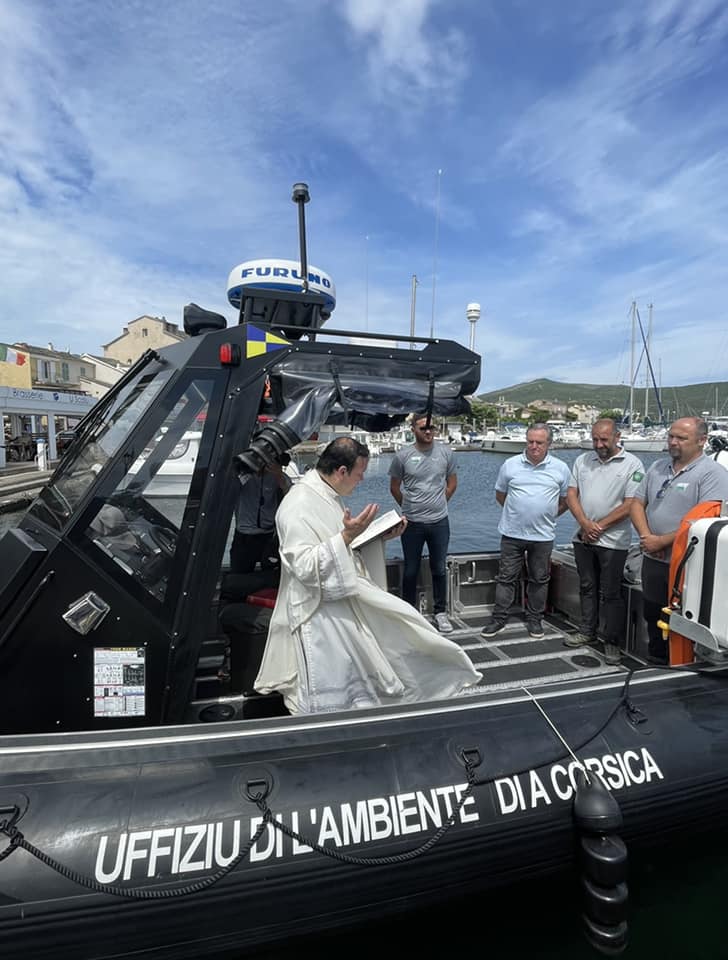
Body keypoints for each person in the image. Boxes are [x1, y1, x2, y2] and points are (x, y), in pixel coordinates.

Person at [254, 437, 479, 714]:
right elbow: (302, 565)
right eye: (359, 475)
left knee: (402, 633)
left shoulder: (324, 493)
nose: (360, 481)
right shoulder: (298, 504)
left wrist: (374, 536)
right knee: (339, 685)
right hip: (322, 614)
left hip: (339, 599)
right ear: (342, 471)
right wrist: (347, 535)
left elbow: (336, 544)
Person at [630, 416, 728, 665]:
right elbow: (637, 504)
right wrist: (647, 538)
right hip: (652, 559)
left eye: (681, 438)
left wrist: (662, 541)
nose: (673, 442)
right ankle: (656, 662)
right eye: (671, 436)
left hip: (686, 568)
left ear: (702, 441)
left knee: (682, 621)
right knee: (653, 613)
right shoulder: (657, 468)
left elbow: (703, 522)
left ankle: (681, 669)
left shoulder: (713, 474)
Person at [562, 419, 644, 665]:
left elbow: (632, 504)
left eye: (604, 439)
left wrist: (599, 526)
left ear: (617, 436)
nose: (599, 444)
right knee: (587, 586)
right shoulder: (582, 461)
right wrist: (585, 524)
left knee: (611, 593)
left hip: (614, 541)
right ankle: (587, 631)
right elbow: (571, 494)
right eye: (595, 439)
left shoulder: (633, 464)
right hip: (583, 537)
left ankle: (611, 642)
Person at [481, 423, 571, 639]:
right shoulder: (510, 465)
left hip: (543, 536)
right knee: (506, 578)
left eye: (539, 442)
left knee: (539, 579)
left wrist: (546, 515)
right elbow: (500, 495)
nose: (533, 446)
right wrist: (517, 514)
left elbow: (566, 501)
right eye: (530, 441)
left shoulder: (561, 468)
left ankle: (535, 620)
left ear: (549, 443)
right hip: (512, 534)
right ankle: (499, 618)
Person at [389, 413, 458, 633]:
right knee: (410, 570)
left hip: (439, 522)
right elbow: (394, 487)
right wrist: (408, 508)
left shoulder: (446, 454)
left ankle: (440, 612)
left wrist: (439, 503)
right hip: (412, 524)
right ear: (413, 430)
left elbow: (452, 484)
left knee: (439, 569)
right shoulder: (403, 456)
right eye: (423, 428)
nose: (428, 432)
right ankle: (409, 613)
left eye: (432, 428)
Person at [230, 457, 291, 574]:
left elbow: (291, 493)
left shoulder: (276, 477)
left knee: (271, 574)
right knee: (239, 575)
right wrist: (250, 469)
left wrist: (278, 475)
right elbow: (231, 487)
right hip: (245, 534)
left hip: (268, 534)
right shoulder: (244, 477)